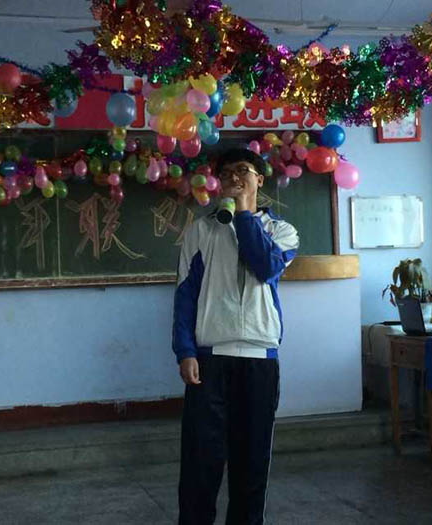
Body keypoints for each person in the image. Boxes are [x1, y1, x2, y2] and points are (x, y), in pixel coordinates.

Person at [172, 148, 299, 524]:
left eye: (243, 170)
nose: (234, 178)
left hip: (259, 360)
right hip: (210, 358)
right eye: (226, 173)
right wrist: (185, 350)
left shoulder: (282, 232)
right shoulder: (201, 230)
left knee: (251, 463)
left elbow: (264, 267)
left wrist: (244, 213)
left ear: (260, 179)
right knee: (200, 463)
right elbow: (184, 295)